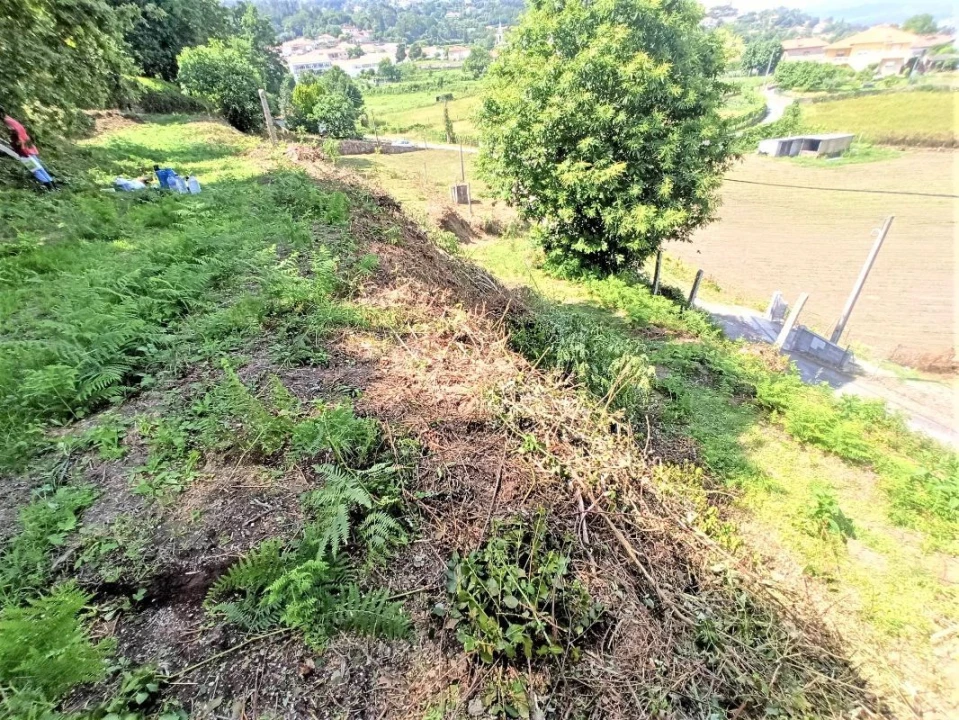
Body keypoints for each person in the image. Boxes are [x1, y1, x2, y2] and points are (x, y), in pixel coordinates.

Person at [1, 106, 54, 188]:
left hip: (23, 149)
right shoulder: (9, 118)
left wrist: (19, 146)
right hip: (28, 144)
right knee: (39, 166)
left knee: (34, 169)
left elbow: (17, 133)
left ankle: (49, 187)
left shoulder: (7, 122)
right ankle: (53, 185)